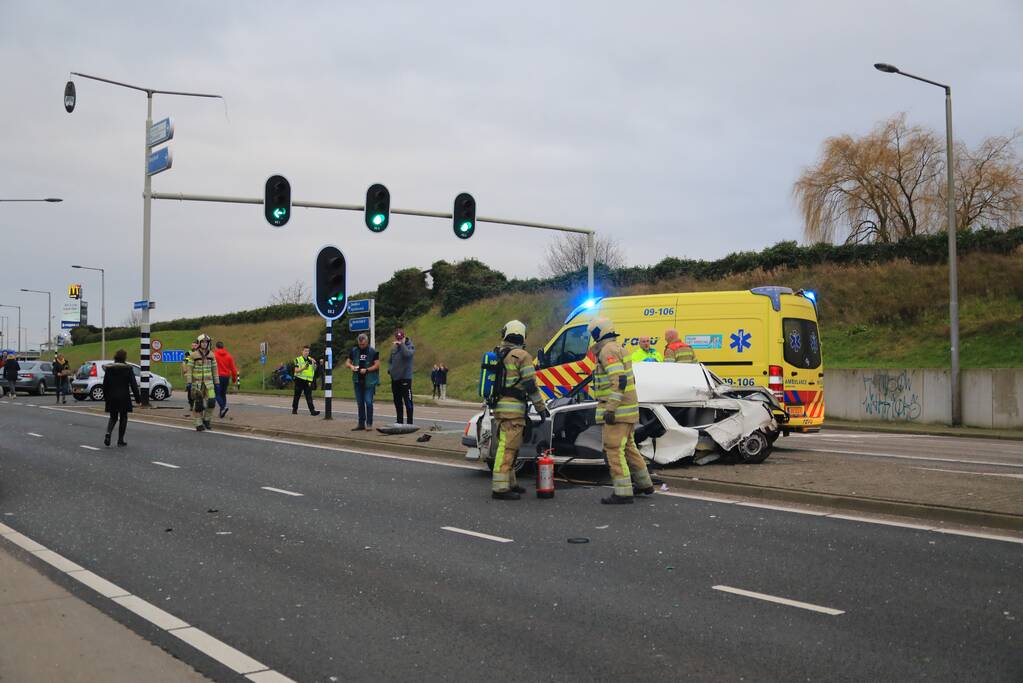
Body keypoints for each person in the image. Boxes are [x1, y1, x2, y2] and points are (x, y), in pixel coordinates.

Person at [589, 317, 654, 505]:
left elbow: (618, 381)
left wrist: (610, 408)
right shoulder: (619, 348)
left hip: (617, 411)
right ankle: (644, 484)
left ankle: (623, 492)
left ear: (599, 332)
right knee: (629, 448)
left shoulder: (607, 351)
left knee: (614, 450)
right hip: (628, 409)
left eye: (593, 333)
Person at [489, 320, 548, 500]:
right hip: (513, 412)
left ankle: (511, 482)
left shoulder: (499, 354)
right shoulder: (522, 356)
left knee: (510, 447)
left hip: (500, 408)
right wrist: (541, 408)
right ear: (522, 335)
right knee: (508, 448)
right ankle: (500, 488)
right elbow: (530, 385)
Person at [102, 349, 141, 447]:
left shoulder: (109, 368)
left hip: (111, 396)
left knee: (113, 417)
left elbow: (105, 384)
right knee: (123, 417)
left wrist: (106, 397)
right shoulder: (128, 368)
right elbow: (133, 384)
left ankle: (108, 433)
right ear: (124, 357)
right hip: (124, 396)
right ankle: (120, 440)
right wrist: (138, 398)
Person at [345, 333, 380, 431]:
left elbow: (377, 365)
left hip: (369, 381)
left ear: (367, 342)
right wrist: (351, 366)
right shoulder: (354, 351)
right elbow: (347, 362)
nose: (361, 346)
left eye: (363, 344)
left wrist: (367, 370)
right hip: (357, 380)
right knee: (360, 403)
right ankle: (361, 424)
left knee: (368, 402)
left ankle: (369, 423)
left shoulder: (373, 352)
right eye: (360, 344)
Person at [186, 334, 219, 431]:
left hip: (209, 384)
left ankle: (206, 420)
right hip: (197, 384)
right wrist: (189, 382)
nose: (204, 344)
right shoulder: (193, 355)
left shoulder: (211, 355)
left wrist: (217, 382)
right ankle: (198, 423)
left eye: (206, 342)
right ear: (199, 343)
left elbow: (215, 369)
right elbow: (189, 369)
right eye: (203, 342)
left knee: (212, 402)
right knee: (198, 405)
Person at [388, 328, 415, 425]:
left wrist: (402, 344)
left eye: (401, 338)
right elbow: (390, 360)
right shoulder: (394, 348)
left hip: (405, 378)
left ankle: (410, 422)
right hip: (395, 378)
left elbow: (407, 354)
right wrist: (390, 370)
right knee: (397, 401)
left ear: (404, 337)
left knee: (408, 401)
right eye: (397, 338)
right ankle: (399, 421)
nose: (399, 340)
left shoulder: (410, 345)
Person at [292, 345, 320, 416]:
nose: (307, 352)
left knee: (309, 396)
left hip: (308, 381)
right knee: (297, 395)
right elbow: (296, 370)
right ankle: (294, 409)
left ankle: (312, 411)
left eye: (308, 351)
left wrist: (315, 364)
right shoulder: (298, 359)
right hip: (299, 380)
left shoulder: (311, 359)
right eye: (305, 351)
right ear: (302, 351)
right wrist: (303, 368)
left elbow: (314, 369)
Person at [213, 341, 238, 418]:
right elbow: (233, 369)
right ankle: (222, 412)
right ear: (223, 347)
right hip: (226, 377)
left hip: (217, 377)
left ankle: (223, 407)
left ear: (216, 347)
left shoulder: (214, 355)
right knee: (223, 394)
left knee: (216, 394)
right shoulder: (228, 356)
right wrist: (234, 379)